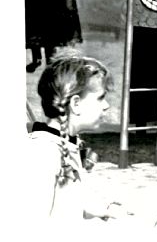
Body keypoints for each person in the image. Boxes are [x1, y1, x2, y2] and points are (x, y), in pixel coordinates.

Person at [26, 50, 131, 222]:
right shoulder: (44, 153)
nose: (106, 106)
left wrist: (103, 209)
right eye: (100, 98)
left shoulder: (64, 144)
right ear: (75, 104)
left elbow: (67, 204)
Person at [25, 0, 83, 73]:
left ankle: (37, 60)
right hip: (47, 29)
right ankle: (48, 63)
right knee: (48, 44)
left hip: (36, 28)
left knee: (36, 41)